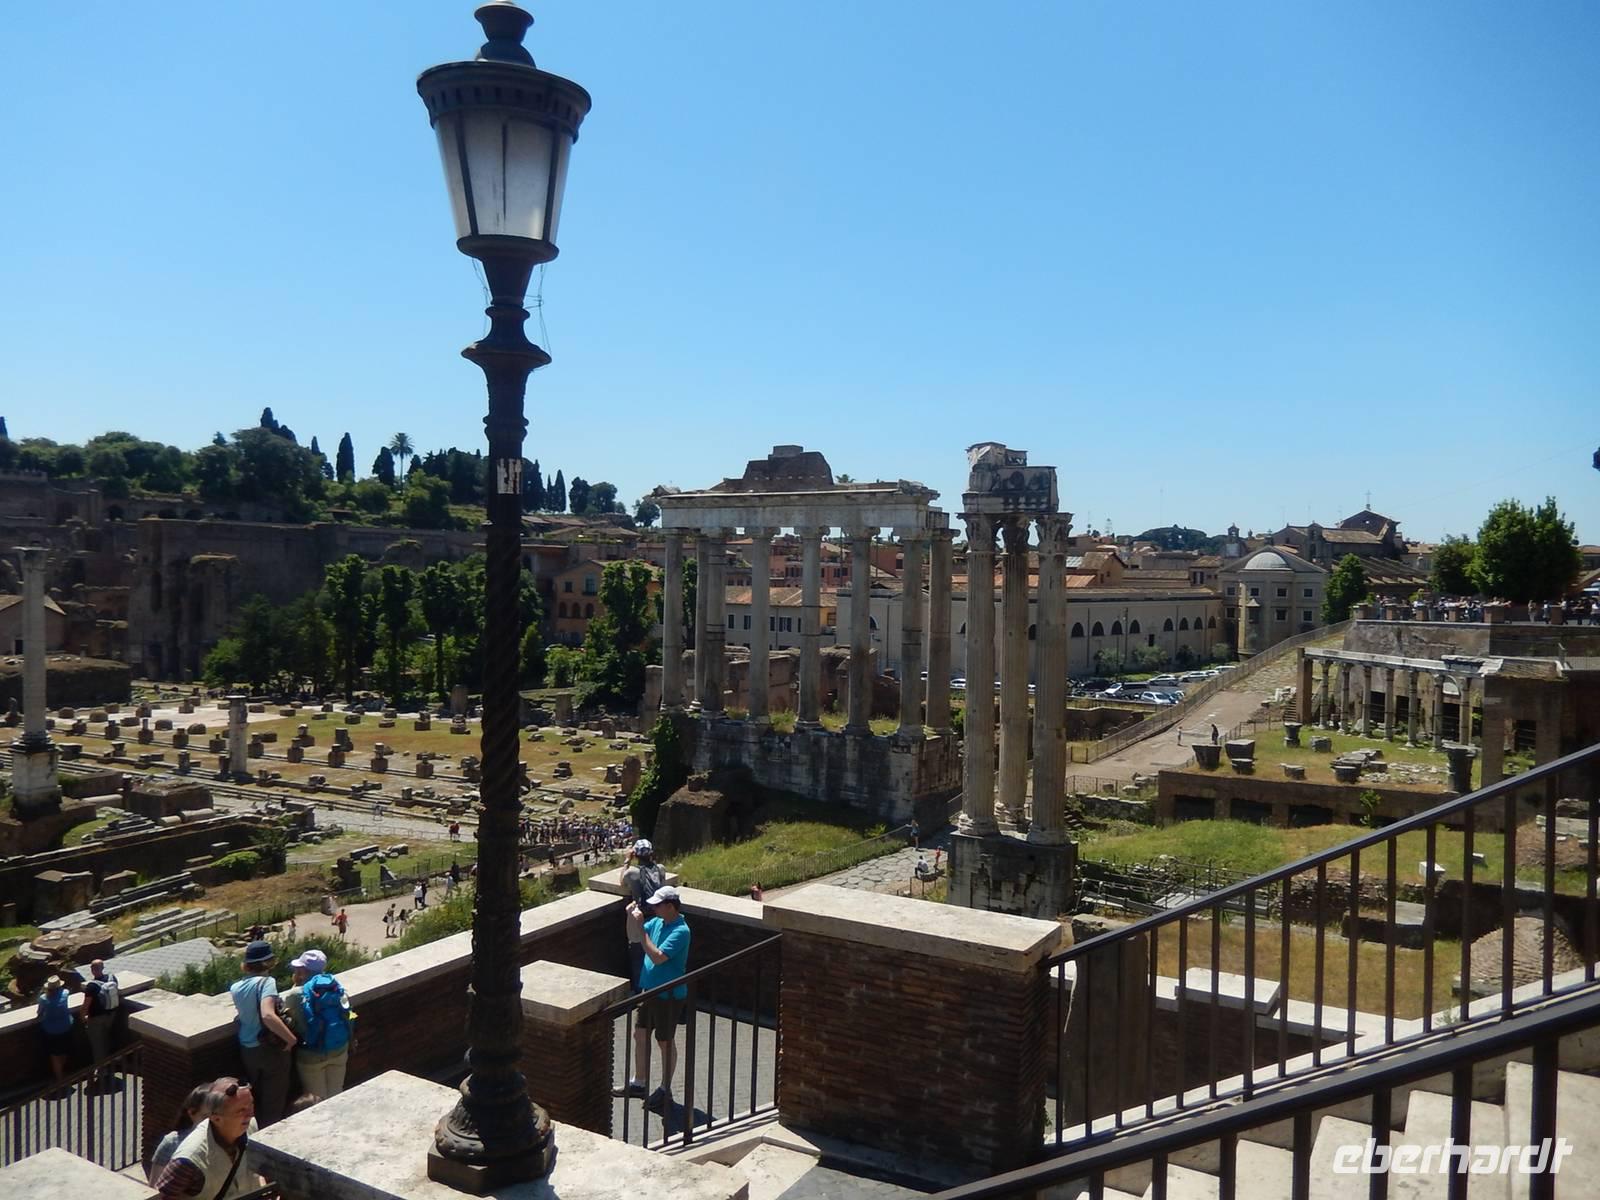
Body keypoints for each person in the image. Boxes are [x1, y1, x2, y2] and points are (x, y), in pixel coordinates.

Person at [614, 885, 691, 1110]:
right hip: (650, 990)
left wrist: (641, 928)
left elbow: (658, 957)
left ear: (670, 906)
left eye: (657, 905)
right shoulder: (658, 923)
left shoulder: (681, 931)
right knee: (640, 1034)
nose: (653, 908)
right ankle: (639, 1082)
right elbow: (634, 936)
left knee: (664, 1041)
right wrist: (630, 917)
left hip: (669, 994)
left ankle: (665, 1088)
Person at [153, 1077, 264, 1199]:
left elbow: (257, 1173)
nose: (250, 1114)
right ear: (217, 1119)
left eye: (251, 1105)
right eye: (241, 1110)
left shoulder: (250, 1126)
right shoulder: (189, 1159)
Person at [230, 940, 296, 1126]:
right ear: (267, 962)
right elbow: (267, 1015)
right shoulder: (267, 982)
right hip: (269, 1047)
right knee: (274, 1099)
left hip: (247, 1047)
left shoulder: (235, 988)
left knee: (255, 1097)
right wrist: (290, 1039)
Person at [282, 948, 353, 1099]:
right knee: (337, 1095)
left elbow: (290, 1020)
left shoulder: (295, 995)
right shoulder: (337, 989)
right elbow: (349, 1015)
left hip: (311, 1053)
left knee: (316, 1101)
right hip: (339, 1048)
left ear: (302, 971)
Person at [621, 839, 668, 993]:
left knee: (637, 954)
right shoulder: (660, 869)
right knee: (655, 952)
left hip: (641, 917)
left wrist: (627, 860)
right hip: (659, 916)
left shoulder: (632, 872)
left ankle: (637, 990)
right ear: (651, 853)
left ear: (636, 854)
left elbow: (622, 882)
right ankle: (653, 989)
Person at [148, 1083, 212, 1185]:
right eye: (206, 1117)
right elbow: (155, 1187)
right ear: (192, 1113)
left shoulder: (231, 1141)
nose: (213, 1122)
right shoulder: (172, 1142)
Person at [82, 958, 122, 1090]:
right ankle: (109, 1065)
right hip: (111, 1015)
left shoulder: (92, 986)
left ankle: (102, 1071)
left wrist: (83, 1017)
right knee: (106, 1040)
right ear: (103, 968)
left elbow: (86, 1005)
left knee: (97, 1044)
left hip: (97, 1018)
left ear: (93, 970)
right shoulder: (112, 978)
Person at [36, 974, 76, 1088]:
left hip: (51, 1030)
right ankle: (62, 1073)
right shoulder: (65, 993)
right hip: (66, 1026)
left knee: (55, 1055)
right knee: (64, 1051)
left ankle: (60, 1078)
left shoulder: (44, 998)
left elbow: (39, 1013)